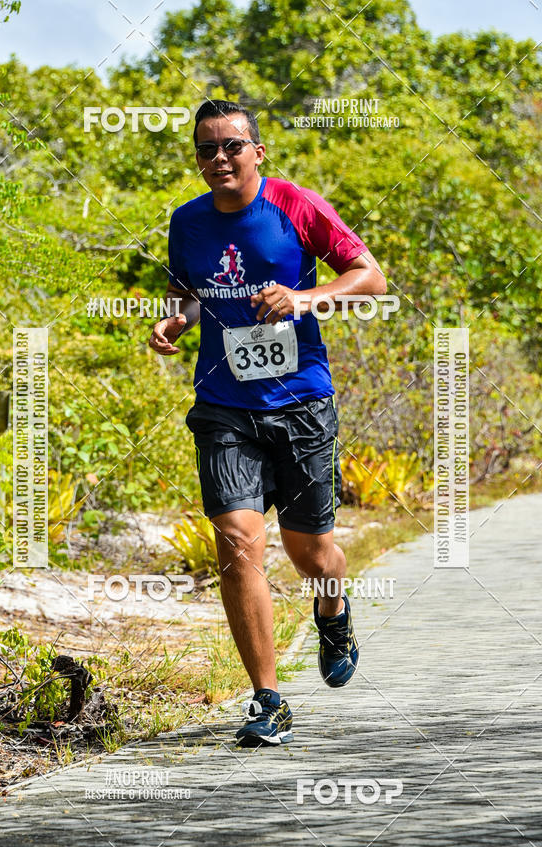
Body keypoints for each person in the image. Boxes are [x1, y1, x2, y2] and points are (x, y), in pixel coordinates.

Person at [149, 99, 386, 747]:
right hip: (224, 405)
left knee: (310, 553)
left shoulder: (295, 205)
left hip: (302, 402)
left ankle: (332, 609)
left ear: (258, 151)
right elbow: (189, 291)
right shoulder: (188, 222)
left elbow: (370, 276)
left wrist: (306, 297)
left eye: (231, 146)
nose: (219, 158)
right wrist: (177, 319)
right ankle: (267, 698)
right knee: (236, 542)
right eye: (206, 149)